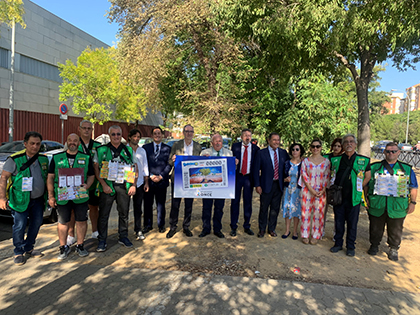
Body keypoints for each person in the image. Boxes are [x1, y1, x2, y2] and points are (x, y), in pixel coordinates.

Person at [0, 132, 48, 265]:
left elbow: (47, 178)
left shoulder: (43, 159)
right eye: (32, 143)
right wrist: (2, 198)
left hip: (38, 199)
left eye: (38, 144)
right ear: (25, 144)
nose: (35, 146)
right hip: (20, 199)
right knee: (19, 226)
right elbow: (3, 178)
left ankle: (29, 247)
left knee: (37, 223)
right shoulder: (15, 159)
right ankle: (18, 251)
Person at [365, 142, 418, 261]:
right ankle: (374, 245)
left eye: (394, 151)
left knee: (395, 229)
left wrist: (413, 202)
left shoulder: (407, 169)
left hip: (397, 205)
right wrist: (366, 198)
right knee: (375, 227)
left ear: (399, 152)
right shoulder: (374, 167)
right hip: (377, 203)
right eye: (388, 151)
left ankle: (394, 248)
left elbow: (413, 187)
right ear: (384, 152)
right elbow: (367, 184)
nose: (391, 153)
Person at [47, 133, 95, 259]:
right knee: (63, 221)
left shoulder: (86, 157)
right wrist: (51, 196)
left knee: (81, 220)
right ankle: (63, 247)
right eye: (70, 140)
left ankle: (80, 245)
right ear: (67, 142)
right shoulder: (57, 157)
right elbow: (50, 177)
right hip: (63, 196)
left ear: (79, 143)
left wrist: (87, 186)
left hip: (80, 195)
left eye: (75, 141)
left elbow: (91, 175)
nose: (72, 142)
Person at [94, 125, 137, 252]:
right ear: (109, 136)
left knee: (124, 213)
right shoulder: (101, 150)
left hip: (123, 186)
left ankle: (123, 236)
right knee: (103, 215)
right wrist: (103, 184)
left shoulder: (128, 150)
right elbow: (96, 168)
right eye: (113, 134)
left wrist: (133, 184)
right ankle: (102, 240)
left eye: (118, 134)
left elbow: (134, 167)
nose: (116, 137)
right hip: (107, 186)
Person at [329, 134, 371, 257]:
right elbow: (332, 175)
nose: (349, 144)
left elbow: (368, 176)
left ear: (355, 144)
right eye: (346, 142)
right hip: (339, 197)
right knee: (339, 222)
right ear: (343, 145)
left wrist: (358, 188)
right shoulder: (336, 160)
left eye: (351, 141)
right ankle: (338, 244)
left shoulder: (363, 160)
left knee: (352, 223)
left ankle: (350, 246)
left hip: (354, 198)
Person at [66, 120, 102, 246]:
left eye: (89, 128)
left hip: (93, 183)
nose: (87, 130)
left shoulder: (97, 145)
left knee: (93, 207)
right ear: (79, 129)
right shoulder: (74, 144)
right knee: (72, 210)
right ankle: (71, 235)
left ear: (92, 130)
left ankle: (95, 231)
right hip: (75, 183)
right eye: (84, 128)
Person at [166, 124, 202, 238]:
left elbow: (201, 163)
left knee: (189, 204)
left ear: (193, 133)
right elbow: (170, 162)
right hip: (177, 179)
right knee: (175, 204)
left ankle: (186, 226)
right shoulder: (177, 145)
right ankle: (173, 227)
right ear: (183, 132)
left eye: (191, 131)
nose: (189, 133)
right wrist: (173, 160)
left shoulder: (198, 146)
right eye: (187, 131)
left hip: (191, 180)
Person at [253, 132, 290, 238]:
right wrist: (257, 185)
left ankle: (271, 229)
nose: (276, 142)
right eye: (274, 140)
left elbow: (289, 166)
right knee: (264, 208)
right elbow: (256, 170)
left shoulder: (283, 153)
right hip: (265, 185)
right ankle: (262, 229)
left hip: (278, 185)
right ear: (269, 140)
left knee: (275, 208)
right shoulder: (261, 153)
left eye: (278, 140)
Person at [199, 133, 235, 238]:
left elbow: (232, 171)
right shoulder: (204, 152)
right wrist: (203, 159)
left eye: (220, 141)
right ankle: (206, 228)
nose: (218, 143)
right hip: (207, 185)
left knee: (219, 208)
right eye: (216, 141)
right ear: (212, 143)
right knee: (206, 207)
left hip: (222, 186)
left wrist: (235, 163)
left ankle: (217, 229)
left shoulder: (229, 153)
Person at [298, 139, 330, 245]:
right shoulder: (306, 161)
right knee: (305, 212)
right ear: (310, 148)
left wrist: (323, 190)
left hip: (321, 191)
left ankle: (316, 234)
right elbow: (304, 176)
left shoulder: (326, 162)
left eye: (317, 146)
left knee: (318, 213)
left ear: (321, 147)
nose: (315, 148)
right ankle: (305, 234)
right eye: (313, 146)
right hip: (307, 190)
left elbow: (327, 177)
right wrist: (311, 190)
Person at [230, 129, 260, 236]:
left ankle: (247, 225)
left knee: (248, 203)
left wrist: (257, 183)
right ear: (241, 136)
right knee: (235, 202)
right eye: (245, 135)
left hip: (248, 178)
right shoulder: (235, 146)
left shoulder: (256, 149)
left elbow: (257, 167)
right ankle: (233, 226)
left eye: (249, 135)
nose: (247, 137)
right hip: (237, 177)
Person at [143, 127, 171, 233]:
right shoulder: (145, 148)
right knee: (147, 204)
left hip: (162, 181)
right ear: (152, 135)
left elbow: (169, 164)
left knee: (161, 205)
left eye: (159, 133)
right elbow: (144, 163)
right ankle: (147, 225)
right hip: (149, 181)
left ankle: (161, 225)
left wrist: (161, 176)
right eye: (155, 133)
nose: (157, 135)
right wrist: (150, 175)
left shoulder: (168, 148)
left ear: (162, 135)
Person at [127, 129, 149, 241]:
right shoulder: (124, 149)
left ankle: (138, 229)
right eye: (134, 136)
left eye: (138, 137)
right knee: (124, 209)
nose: (136, 138)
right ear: (130, 137)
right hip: (126, 182)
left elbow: (145, 167)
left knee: (138, 207)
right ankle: (123, 232)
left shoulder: (142, 151)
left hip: (139, 182)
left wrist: (146, 182)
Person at [281, 143, 304, 240]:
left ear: (300, 151)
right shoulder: (286, 163)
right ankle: (287, 230)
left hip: (298, 190)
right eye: (293, 149)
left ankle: (295, 231)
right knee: (287, 209)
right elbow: (281, 176)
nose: (295, 151)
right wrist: (284, 179)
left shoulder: (303, 163)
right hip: (288, 190)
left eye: (297, 149)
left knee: (296, 211)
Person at [322, 137, 344, 236]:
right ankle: (321, 230)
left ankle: (336, 233)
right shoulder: (326, 157)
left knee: (337, 212)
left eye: (339, 146)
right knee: (323, 210)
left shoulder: (343, 158)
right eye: (335, 145)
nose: (336, 148)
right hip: (325, 187)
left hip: (337, 189)